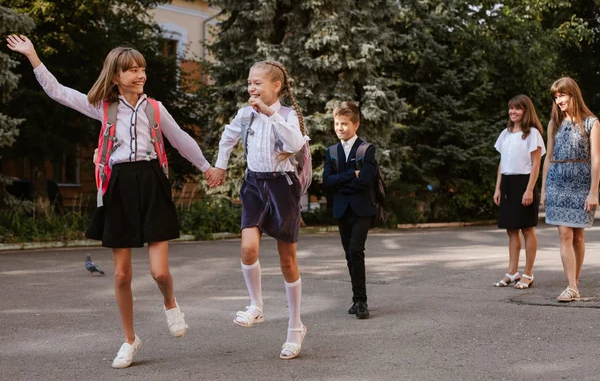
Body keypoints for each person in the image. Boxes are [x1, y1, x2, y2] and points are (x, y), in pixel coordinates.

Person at [6, 34, 219, 368]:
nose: (139, 74)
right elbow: (58, 92)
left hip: (151, 182)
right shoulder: (103, 107)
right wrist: (33, 55)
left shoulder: (154, 108)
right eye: (131, 70)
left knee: (160, 272)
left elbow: (181, 140)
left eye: (141, 68)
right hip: (118, 186)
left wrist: (207, 168)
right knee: (121, 275)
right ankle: (130, 339)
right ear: (116, 76)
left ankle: (171, 303)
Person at [207, 60, 308, 359]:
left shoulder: (288, 115)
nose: (251, 87)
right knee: (248, 248)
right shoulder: (244, 114)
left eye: (258, 83)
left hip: (282, 188)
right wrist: (221, 166)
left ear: (276, 87)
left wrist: (271, 114)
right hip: (253, 185)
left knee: (287, 261)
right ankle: (256, 306)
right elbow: (227, 138)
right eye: (249, 82)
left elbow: (296, 141)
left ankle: (295, 327)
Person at [541, 77, 600, 302]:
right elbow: (548, 159)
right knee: (564, 233)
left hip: (581, 184)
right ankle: (572, 286)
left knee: (578, 237)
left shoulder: (591, 123)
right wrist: (544, 189)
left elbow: (596, 159)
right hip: (557, 182)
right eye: (556, 97)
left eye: (562, 95)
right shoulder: (554, 123)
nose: (558, 101)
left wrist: (594, 191)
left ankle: (574, 281)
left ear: (573, 94)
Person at [322, 101, 378, 319]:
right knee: (349, 254)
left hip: (362, 209)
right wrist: (350, 175)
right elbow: (327, 182)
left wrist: (344, 180)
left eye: (344, 124)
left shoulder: (366, 150)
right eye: (336, 123)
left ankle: (361, 301)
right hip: (342, 209)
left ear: (356, 124)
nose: (339, 128)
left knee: (356, 250)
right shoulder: (332, 152)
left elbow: (365, 180)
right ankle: (356, 299)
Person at [492, 95, 545, 289]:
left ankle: (528, 273)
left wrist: (529, 189)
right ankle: (512, 272)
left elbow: (536, 163)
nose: (513, 112)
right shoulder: (505, 134)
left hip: (524, 183)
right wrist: (498, 188)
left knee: (527, 229)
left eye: (517, 108)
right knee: (511, 229)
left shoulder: (532, 134)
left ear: (525, 110)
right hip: (507, 183)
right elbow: (502, 163)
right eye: (511, 108)